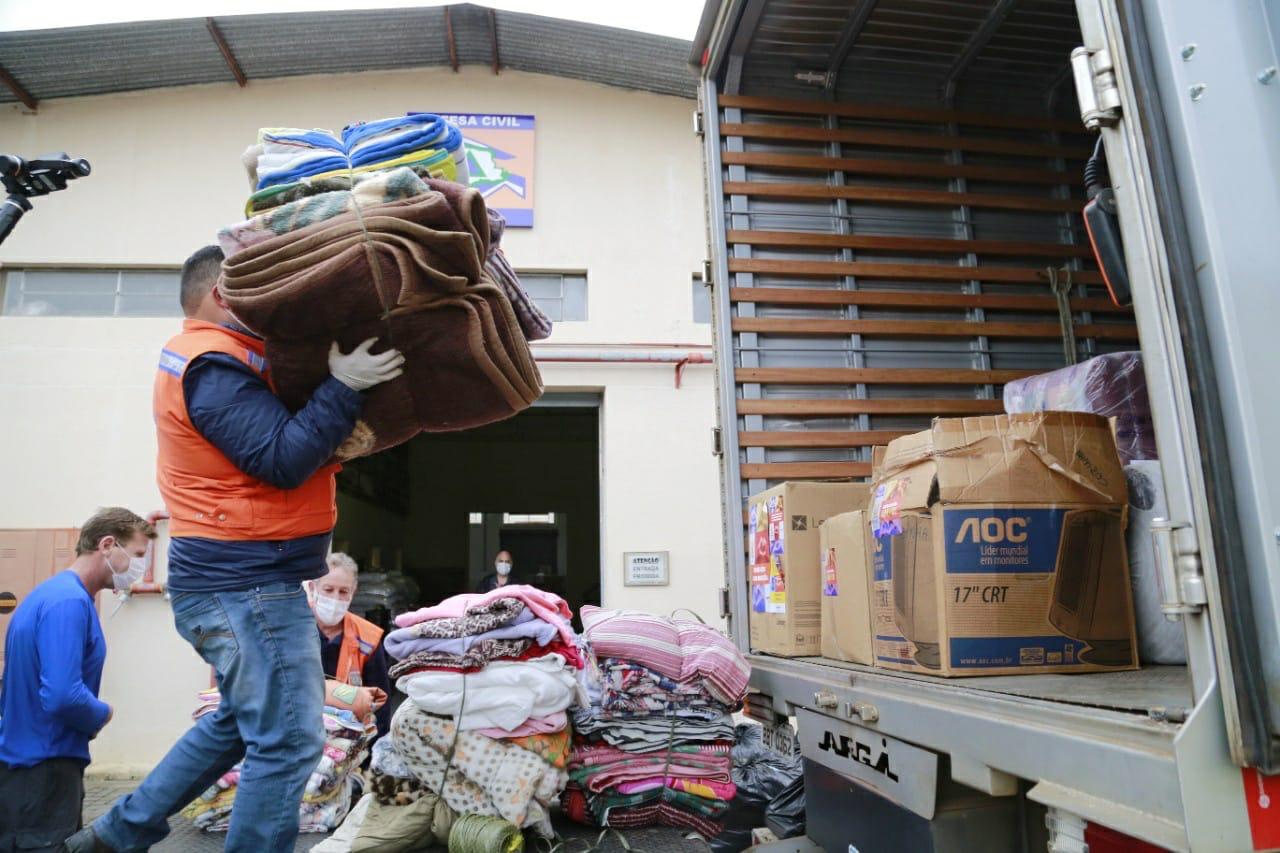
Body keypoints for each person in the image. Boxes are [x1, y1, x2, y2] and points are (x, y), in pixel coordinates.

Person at [67, 245, 404, 853]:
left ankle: (114, 837)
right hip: (243, 584)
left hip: (244, 582)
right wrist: (343, 388)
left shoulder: (224, 358)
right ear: (225, 294)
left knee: (235, 724)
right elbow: (280, 459)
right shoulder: (211, 364)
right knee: (290, 739)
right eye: (260, 287)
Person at [0, 508, 156, 852]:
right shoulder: (68, 603)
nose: (140, 567)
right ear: (107, 544)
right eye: (139, 554)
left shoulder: (49, 596)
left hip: (28, 768)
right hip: (43, 773)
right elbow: (61, 695)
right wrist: (102, 713)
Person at [310, 552, 391, 736]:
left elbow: (380, 705)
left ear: (353, 593)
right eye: (328, 590)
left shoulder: (368, 638)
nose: (335, 598)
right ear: (313, 588)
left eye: (343, 591)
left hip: (348, 739)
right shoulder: (291, 630)